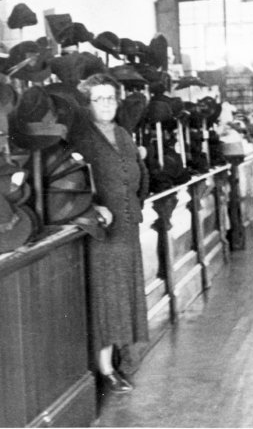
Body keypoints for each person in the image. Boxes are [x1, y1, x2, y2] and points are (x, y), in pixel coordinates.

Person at [71, 73, 150, 395]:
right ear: (88, 105)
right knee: (106, 298)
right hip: (102, 232)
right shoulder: (81, 139)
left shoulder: (123, 134)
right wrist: (93, 208)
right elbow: (70, 187)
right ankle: (105, 369)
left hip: (127, 225)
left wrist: (134, 202)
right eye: (98, 98)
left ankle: (118, 358)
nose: (105, 104)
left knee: (123, 294)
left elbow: (138, 176)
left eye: (110, 98)